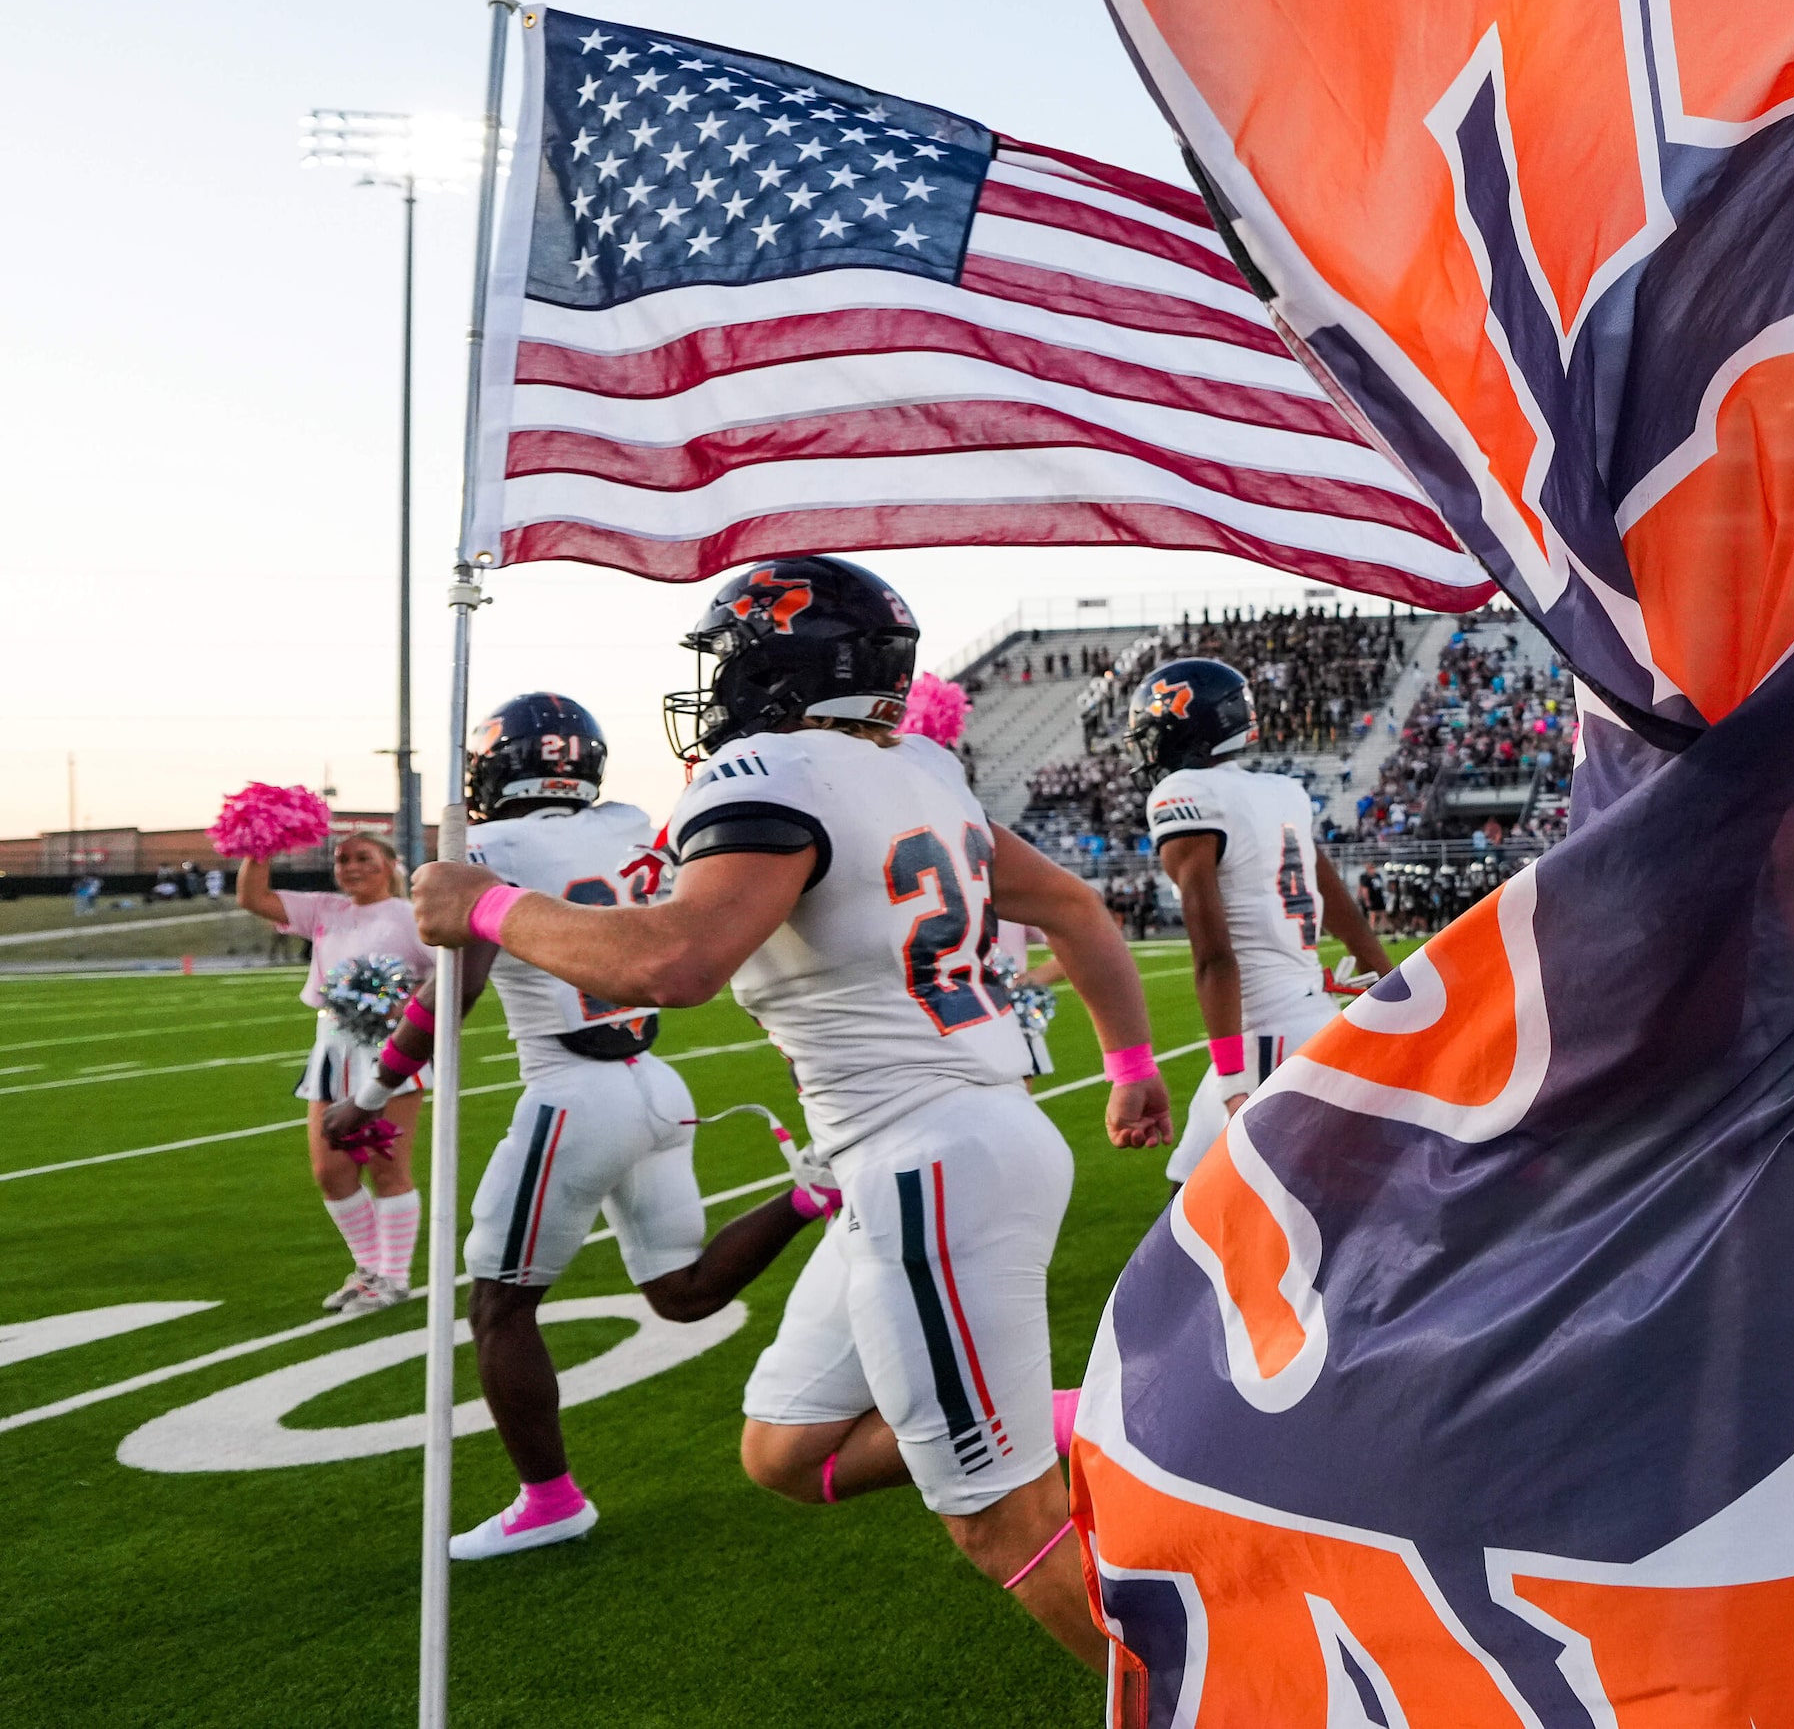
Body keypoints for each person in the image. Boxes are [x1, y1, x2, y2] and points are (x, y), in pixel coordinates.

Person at [413, 556, 1170, 1668]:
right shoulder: (922, 768)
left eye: (730, 657)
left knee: (998, 1513)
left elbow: (676, 961)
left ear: (777, 663)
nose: (716, 684)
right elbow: (1070, 907)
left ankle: (1204, 1696)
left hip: (925, 1157)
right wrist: (1130, 1060)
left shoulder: (763, 771)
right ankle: (1079, 1419)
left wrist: (482, 903)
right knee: (788, 1449)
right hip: (938, 1144)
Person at [329, 692, 835, 1561]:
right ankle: (809, 1198)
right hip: (656, 1082)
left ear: (495, 767)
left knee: (498, 1304)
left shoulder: (486, 848)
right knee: (680, 1293)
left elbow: (457, 989)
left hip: (572, 1089)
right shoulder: (627, 825)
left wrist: (370, 1094)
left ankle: (549, 1500)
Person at [1125, 658, 1394, 1194]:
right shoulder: (1282, 791)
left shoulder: (1184, 794)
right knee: (1201, 1209)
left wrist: (1230, 1077)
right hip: (1310, 1015)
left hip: (1263, 1037)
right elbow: (1329, 892)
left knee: (1207, 1218)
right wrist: (1382, 967)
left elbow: (1214, 955)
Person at [236, 831, 431, 1312]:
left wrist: (401, 1009)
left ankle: (394, 1277)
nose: (351, 867)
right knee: (331, 1171)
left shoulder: (409, 917)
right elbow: (253, 897)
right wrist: (259, 844)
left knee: (388, 1167)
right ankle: (367, 1269)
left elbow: (441, 979)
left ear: (389, 865)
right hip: (332, 1049)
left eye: (364, 858)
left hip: (391, 1052)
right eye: (342, 859)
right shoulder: (325, 909)